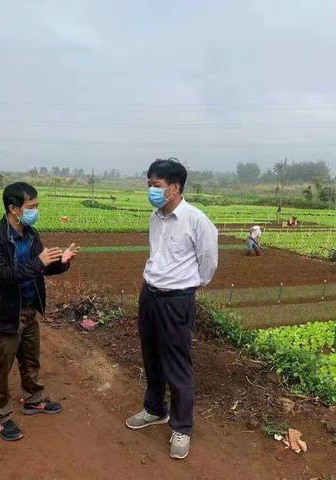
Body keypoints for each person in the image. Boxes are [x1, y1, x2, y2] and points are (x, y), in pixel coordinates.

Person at [125, 159, 218, 460]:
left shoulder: (196, 220)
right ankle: (154, 409)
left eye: (156, 185)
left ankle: (182, 426)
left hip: (177, 300)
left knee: (177, 362)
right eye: (149, 184)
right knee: (150, 355)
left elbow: (208, 263)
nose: (151, 190)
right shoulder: (156, 217)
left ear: (174, 188)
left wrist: (187, 287)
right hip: (149, 294)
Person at [0, 182, 78, 441]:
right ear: (13, 209)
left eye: (36, 205)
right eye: (31, 206)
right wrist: (38, 263)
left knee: (30, 359)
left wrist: (62, 263)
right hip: (4, 315)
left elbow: (41, 270)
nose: (36, 210)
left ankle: (33, 399)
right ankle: (1, 417)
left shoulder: (31, 235)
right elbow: (1, 275)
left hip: (29, 309)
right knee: (1, 369)